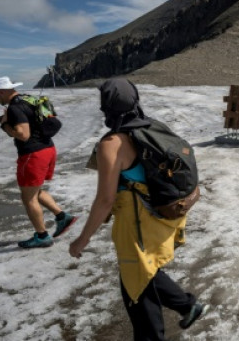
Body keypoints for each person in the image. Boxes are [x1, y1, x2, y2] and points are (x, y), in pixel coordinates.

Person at [69, 78, 204, 341]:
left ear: (106, 106)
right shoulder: (152, 127)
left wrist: (82, 239)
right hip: (162, 215)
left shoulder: (112, 144)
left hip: (137, 225)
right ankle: (188, 305)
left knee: (136, 287)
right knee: (146, 271)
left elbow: (105, 199)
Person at [0, 76, 76, 248]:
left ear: (1, 92)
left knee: (28, 198)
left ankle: (42, 236)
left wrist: (4, 125)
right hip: (48, 149)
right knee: (35, 190)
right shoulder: (29, 99)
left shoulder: (14, 108)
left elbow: (23, 135)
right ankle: (63, 217)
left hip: (33, 154)